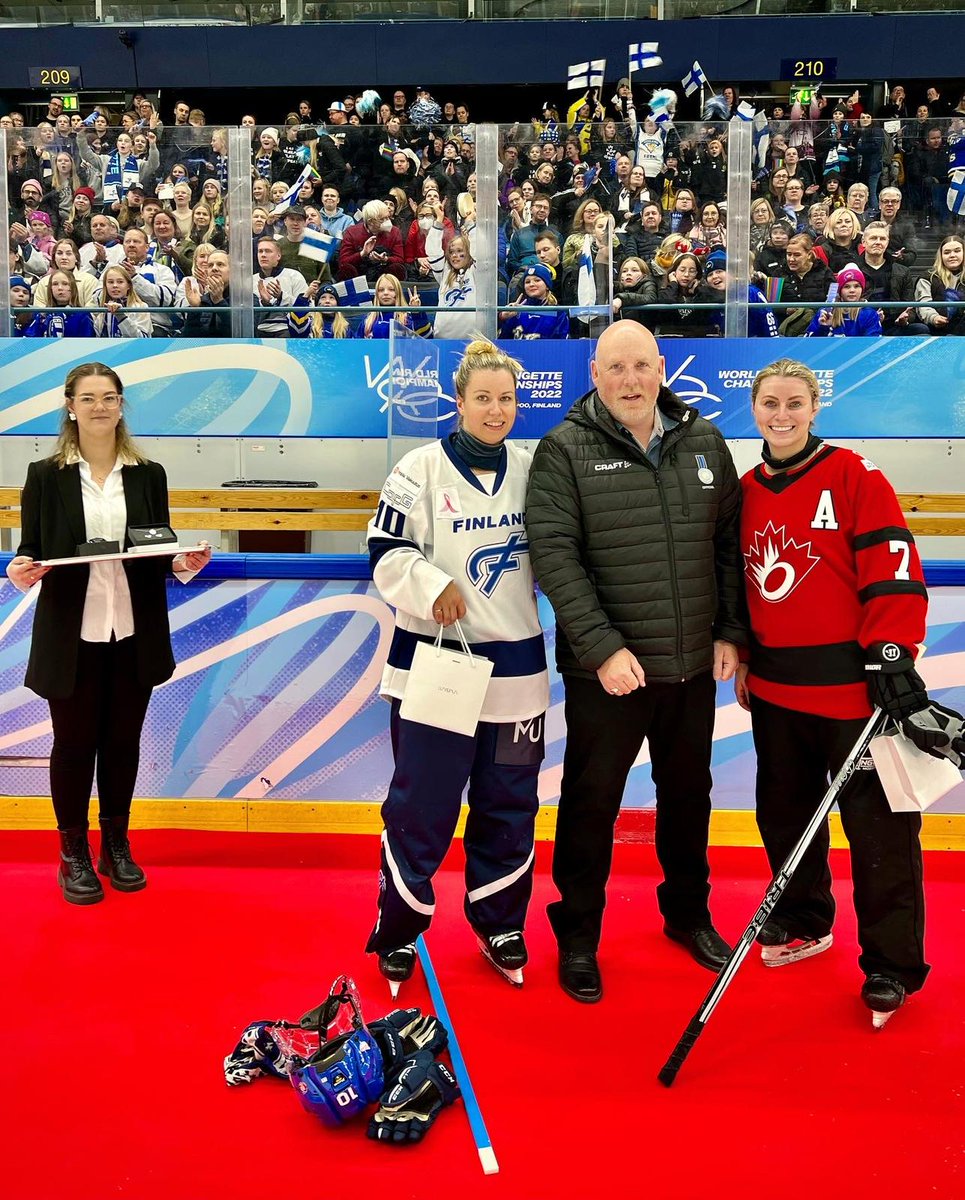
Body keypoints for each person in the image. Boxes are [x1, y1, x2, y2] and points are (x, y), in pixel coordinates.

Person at [735, 358, 964, 1026]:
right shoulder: (745, 490)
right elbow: (740, 586)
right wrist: (746, 657)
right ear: (753, 409)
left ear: (814, 408)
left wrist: (888, 653)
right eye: (769, 403)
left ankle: (891, 965)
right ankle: (805, 918)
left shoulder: (855, 477)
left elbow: (893, 564)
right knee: (784, 815)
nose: (781, 414)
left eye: (793, 403)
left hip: (851, 697)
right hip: (775, 692)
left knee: (880, 832)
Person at [525, 322, 745, 1003]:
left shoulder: (704, 441)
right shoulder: (563, 449)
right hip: (608, 672)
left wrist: (729, 630)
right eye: (615, 366)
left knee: (688, 796)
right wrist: (602, 647)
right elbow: (554, 558)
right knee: (592, 802)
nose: (628, 379)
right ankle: (579, 937)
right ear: (594, 372)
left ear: (660, 369)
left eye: (640, 366)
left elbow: (727, 547)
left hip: (688, 666)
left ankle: (687, 916)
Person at [364, 338, 549, 992]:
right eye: (483, 398)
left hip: (518, 674)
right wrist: (426, 581)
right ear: (459, 401)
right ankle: (399, 930)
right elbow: (384, 551)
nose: (495, 410)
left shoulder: (534, 469)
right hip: (435, 669)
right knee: (421, 806)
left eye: (505, 399)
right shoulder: (418, 469)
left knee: (509, 803)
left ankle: (500, 923)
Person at [5, 362, 211, 905]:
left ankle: (116, 844)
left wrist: (183, 560)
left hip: (134, 629)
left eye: (110, 397)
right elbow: (30, 549)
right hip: (71, 632)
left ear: (121, 406)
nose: (100, 406)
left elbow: (153, 549)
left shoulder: (150, 474)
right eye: (89, 397)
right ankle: (72, 851)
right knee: (73, 745)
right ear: (69, 405)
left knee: (122, 743)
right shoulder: (44, 475)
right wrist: (18, 568)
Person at [805, 265, 882, 338]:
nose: (852, 290)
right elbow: (810, 344)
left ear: (862, 289)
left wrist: (838, 331)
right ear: (840, 290)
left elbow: (872, 344)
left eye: (856, 286)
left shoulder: (870, 314)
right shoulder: (825, 311)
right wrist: (823, 327)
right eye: (846, 286)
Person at [915, 235, 965, 336]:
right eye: (947, 252)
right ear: (941, 256)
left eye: (957, 251)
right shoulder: (927, 277)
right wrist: (933, 317)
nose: (952, 255)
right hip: (935, 330)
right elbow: (923, 305)